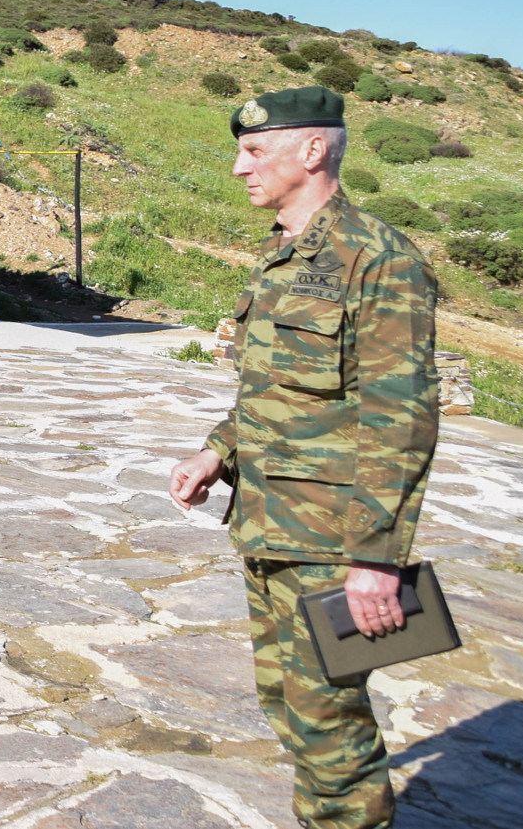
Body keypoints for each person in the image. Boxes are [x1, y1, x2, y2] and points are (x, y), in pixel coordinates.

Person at [170, 85, 437, 829]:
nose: (239, 167)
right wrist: (218, 452)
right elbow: (276, 388)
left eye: (255, 150)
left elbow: (401, 418)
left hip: (330, 541)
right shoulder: (285, 254)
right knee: (289, 705)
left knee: (330, 723)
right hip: (269, 523)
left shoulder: (378, 260)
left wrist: (375, 557)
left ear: (313, 150)